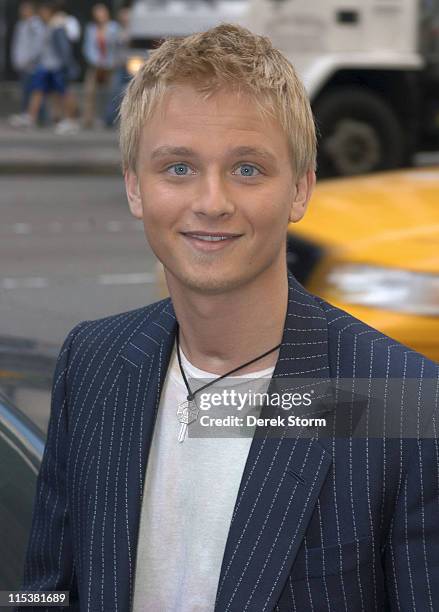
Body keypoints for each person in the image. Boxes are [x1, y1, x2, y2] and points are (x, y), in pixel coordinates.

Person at [18, 24, 439, 611]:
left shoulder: (405, 404)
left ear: (300, 189)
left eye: (247, 169)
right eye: (178, 168)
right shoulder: (91, 362)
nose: (211, 202)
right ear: (134, 187)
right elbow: (48, 593)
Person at [13, 0, 79, 132]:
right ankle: (32, 118)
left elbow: (64, 49)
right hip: (45, 66)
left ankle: (71, 120)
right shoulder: (46, 25)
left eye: (43, 12)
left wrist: (67, 66)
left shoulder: (58, 27)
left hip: (57, 67)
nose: (41, 14)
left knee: (63, 93)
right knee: (37, 91)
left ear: (49, 12)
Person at [82, 3, 119, 128]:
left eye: (102, 12)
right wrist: (97, 62)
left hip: (110, 65)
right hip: (96, 65)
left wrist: (109, 63)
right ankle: (88, 120)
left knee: (112, 91)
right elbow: (88, 48)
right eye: (97, 13)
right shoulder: (91, 28)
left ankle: (110, 119)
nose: (100, 15)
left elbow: (117, 46)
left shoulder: (114, 27)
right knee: (90, 91)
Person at [8, 1, 45, 126]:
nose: (22, 11)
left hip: (33, 65)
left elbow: (38, 45)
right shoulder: (21, 25)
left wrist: (30, 59)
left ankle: (36, 117)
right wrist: (17, 60)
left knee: (35, 91)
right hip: (22, 64)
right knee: (25, 90)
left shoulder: (36, 24)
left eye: (25, 9)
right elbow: (17, 45)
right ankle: (27, 115)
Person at [104, 6, 131, 127]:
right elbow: (110, 45)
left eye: (127, 15)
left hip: (132, 65)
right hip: (118, 65)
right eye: (123, 15)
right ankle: (109, 119)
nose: (125, 17)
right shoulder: (115, 30)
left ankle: (128, 121)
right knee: (114, 91)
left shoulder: (134, 29)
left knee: (130, 92)